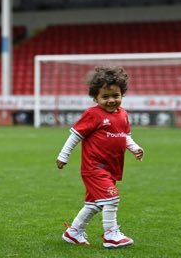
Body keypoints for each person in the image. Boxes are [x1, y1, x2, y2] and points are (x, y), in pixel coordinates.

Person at [56, 66, 144, 249]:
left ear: (122, 94)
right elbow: (75, 135)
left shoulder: (123, 114)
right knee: (112, 199)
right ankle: (111, 235)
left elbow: (125, 136)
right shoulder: (92, 114)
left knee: (94, 204)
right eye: (105, 97)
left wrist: (135, 148)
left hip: (112, 167)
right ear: (95, 98)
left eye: (116, 96)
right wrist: (63, 156)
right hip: (94, 168)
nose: (111, 100)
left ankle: (73, 233)